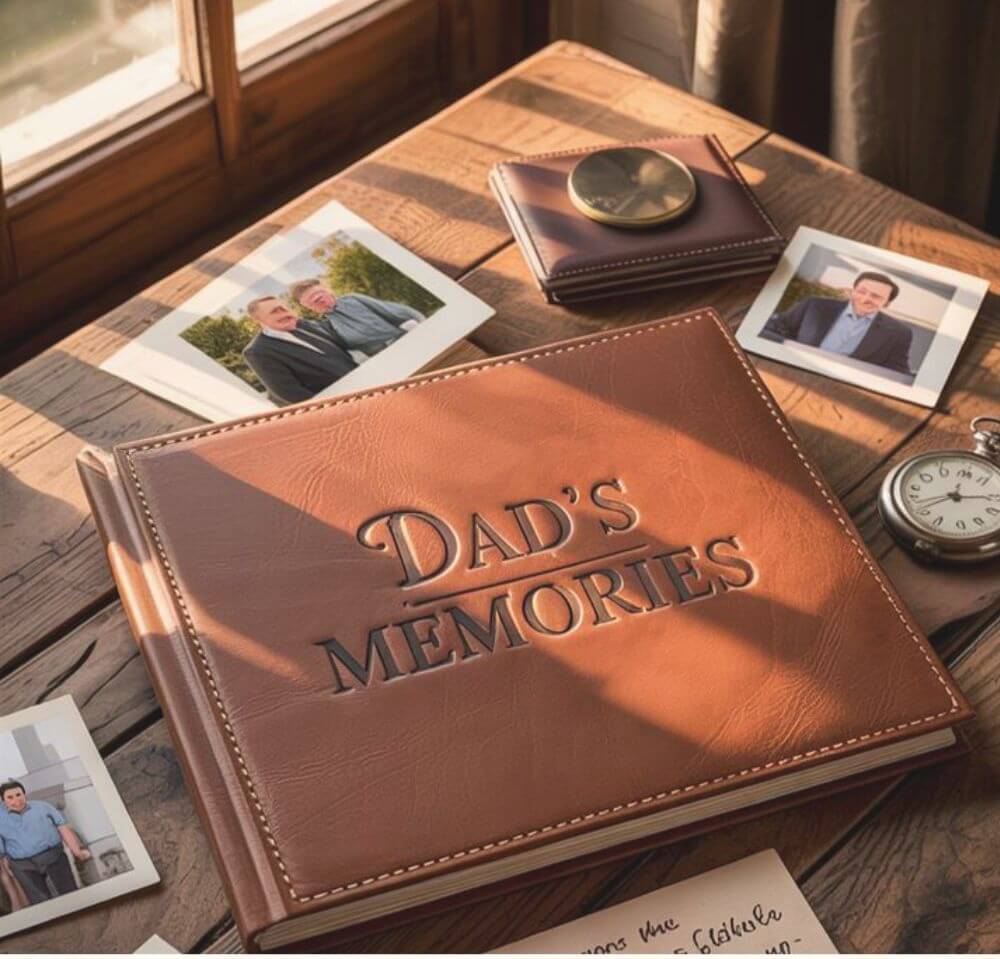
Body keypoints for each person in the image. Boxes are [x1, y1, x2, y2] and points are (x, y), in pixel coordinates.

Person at [763, 270, 913, 375]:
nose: (865, 299)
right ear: (852, 291)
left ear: (887, 303)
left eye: (876, 296)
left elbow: (897, 372)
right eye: (861, 291)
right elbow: (775, 327)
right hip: (795, 367)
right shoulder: (815, 305)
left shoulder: (900, 333)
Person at [242, 296, 359, 406]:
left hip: (360, 385)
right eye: (275, 311)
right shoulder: (257, 351)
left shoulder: (304, 325)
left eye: (285, 308)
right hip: (338, 404)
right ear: (257, 320)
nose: (284, 314)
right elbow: (290, 393)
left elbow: (340, 348)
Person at [0, 781, 90, 905]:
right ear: (4, 801)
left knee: (69, 893)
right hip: (22, 865)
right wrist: (8, 869)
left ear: (24, 794)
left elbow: (62, 828)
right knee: (40, 902)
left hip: (54, 856)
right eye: (10, 797)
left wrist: (77, 851)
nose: (16, 800)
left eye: (18, 794)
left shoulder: (42, 807)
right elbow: (2, 852)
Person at [288, 279, 424, 359]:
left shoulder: (353, 299)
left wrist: (423, 323)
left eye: (319, 294)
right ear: (308, 307)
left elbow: (399, 312)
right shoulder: (326, 326)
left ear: (328, 291)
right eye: (313, 301)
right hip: (382, 358)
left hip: (405, 341)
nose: (319, 300)